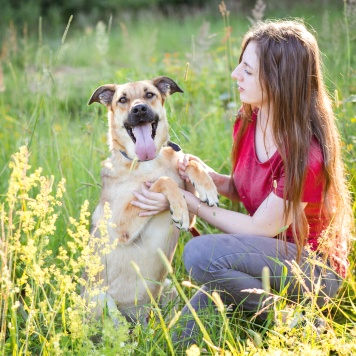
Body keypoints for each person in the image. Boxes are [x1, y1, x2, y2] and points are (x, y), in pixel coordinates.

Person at [130, 19, 354, 343]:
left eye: (247, 70)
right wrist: (206, 176)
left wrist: (187, 202)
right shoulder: (251, 119)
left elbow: (262, 227)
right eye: (240, 66)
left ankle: (292, 320)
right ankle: (265, 311)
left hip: (313, 272)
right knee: (179, 339)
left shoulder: (307, 155)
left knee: (199, 255)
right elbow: (246, 188)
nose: (236, 75)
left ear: (279, 80)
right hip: (264, 256)